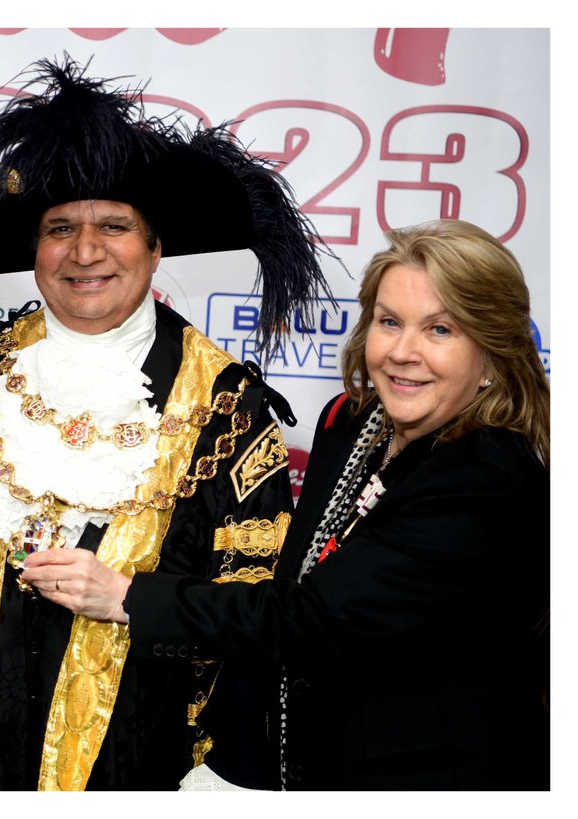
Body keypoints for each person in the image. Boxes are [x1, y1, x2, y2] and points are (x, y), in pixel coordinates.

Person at [0, 57, 332, 790]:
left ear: (155, 248)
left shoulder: (227, 407)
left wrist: (130, 599)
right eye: (60, 228)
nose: (85, 252)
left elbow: (258, 607)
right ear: (34, 249)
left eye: (114, 226)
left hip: (144, 765)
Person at [30, 219, 550, 790]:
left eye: (441, 330)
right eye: (389, 322)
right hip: (304, 766)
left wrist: (127, 597)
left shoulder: (488, 478)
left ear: (493, 352)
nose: (403, 352)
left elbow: (310, 620)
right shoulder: (351, 423)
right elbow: (292, 586)